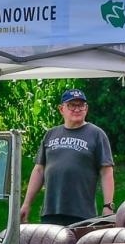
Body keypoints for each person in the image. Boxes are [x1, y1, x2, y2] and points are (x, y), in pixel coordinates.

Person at [19, 88, 115, 225]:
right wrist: (26, 204)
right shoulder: (51, 134)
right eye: (71, 105)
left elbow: (106, 171)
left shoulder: (96, 134)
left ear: (86, 108)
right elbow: (39, 170)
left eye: (81, 105)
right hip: (51, 212)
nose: (77, 109)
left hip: (82, 214)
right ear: (61, 109)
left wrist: (108, 206)